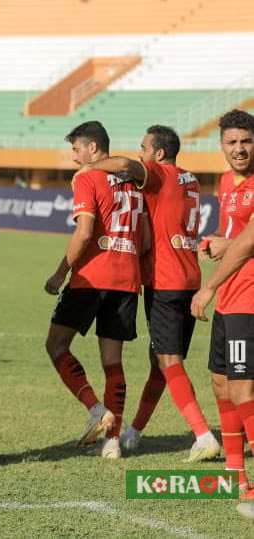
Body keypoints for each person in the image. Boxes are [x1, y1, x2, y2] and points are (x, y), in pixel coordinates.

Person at [83, 125, 219, 462]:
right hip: (189, 277)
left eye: (144, 148)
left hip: (165, 281)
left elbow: (127, 167)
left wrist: (92, 165)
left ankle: (202, 435)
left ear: (158, 154)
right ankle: (134, 432)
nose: (141, 153)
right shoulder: (190, 178)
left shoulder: (159, 173)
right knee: (160, 363)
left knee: (167, 360)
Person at [45, 121, 142, 459]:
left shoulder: (88, 177)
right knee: (113, 362)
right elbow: (142, 237)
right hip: (127, 278)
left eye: (76, 149)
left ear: (92, 147)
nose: (74, 157)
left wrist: (60, 273)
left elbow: (84, 233)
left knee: (56, 345)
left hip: (92, 277)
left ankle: (96, 409)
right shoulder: (133, 182)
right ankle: (112, 441)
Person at [190, 109, 254, 497]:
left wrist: (208, 286)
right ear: (221, 147)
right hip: (229, 298)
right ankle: (235, 474)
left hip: (247, 297)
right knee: (221, 383)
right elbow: (234, 234)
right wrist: (214, 240)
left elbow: (248, 242)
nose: (239, 149)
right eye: (232, 142)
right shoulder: (226, 182)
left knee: (244, 390)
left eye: (246, 141)